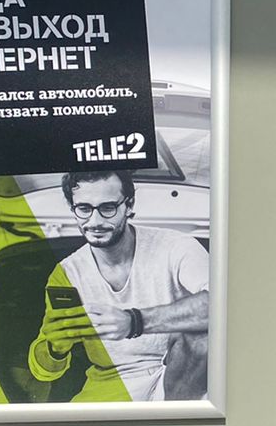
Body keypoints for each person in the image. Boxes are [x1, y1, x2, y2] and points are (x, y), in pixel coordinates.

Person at [28, 170, 209, 402]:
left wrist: (134, 321)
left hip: (178, 378)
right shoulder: (67, 273)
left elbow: (223, 304)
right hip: (110, 384)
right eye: (84, 208)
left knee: (203, 337)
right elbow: (43, 372)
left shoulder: (177, 247)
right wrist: (55, 348)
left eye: (108, 208)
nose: (95, 221)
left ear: (129, 205)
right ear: (73, 209)